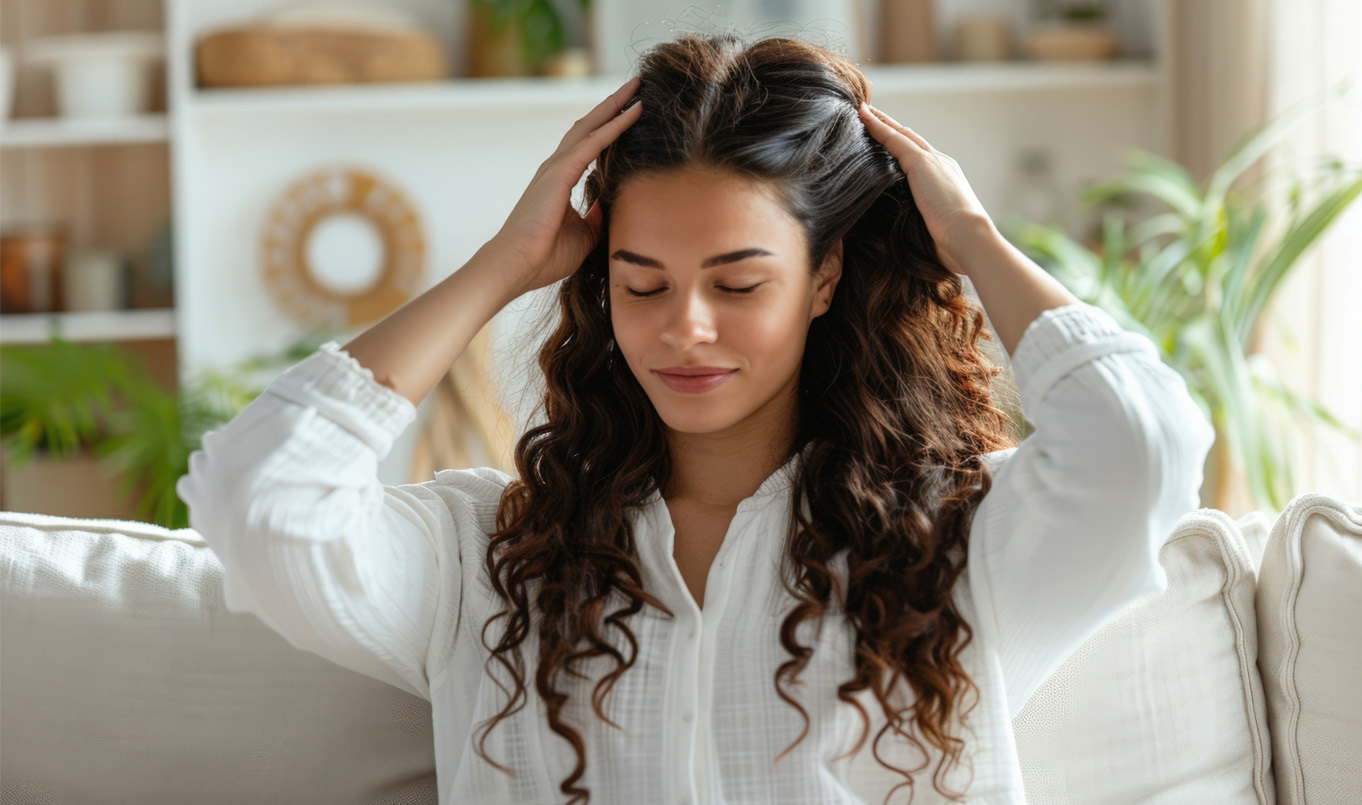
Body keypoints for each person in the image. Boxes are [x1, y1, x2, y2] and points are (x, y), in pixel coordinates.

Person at [176, 33, 1215, 805]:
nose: (686, 328)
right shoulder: (491, 557)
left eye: (738, 282)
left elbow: (1146, 446)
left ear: (823, 279)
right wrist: (502, 264)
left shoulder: (959, 539)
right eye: (642, 283)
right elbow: (261, 501)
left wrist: (974, 237)